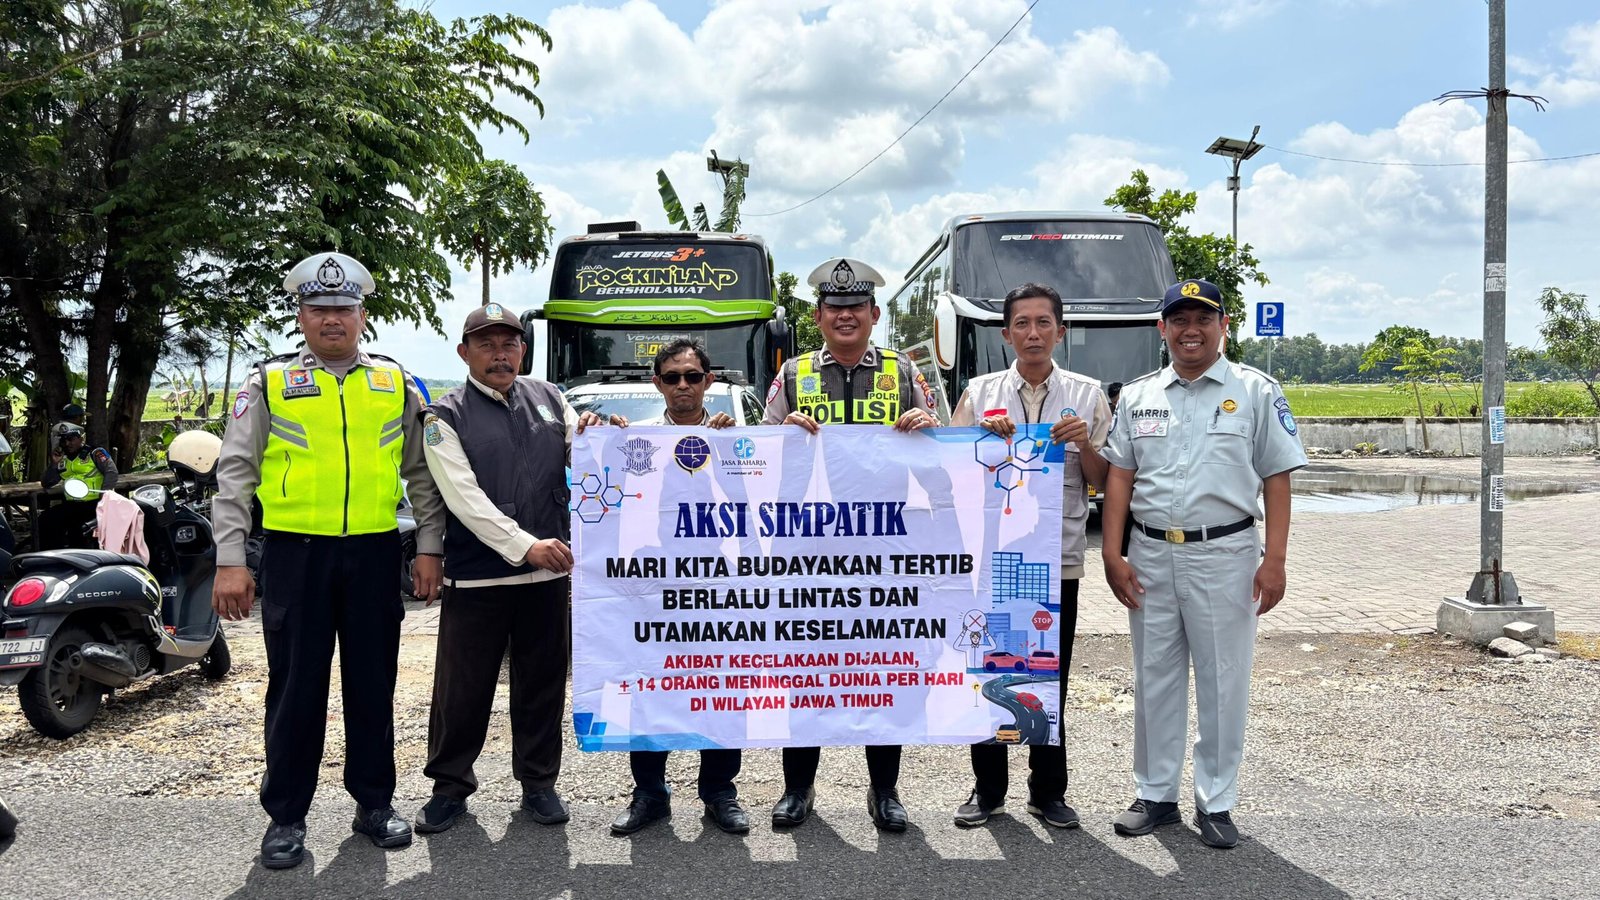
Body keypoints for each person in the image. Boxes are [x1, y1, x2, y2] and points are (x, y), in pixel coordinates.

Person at [211, 252, 446, 870]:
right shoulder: (268, 384)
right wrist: (230, 559)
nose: (333, 319)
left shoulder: (395, 383)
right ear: (302, 315)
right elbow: (233, 474)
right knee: (295, 690)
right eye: (320, 309)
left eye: (343, 308)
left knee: (374, 684)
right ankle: (286, 817)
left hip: (373, 553)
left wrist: (428, 547)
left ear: (362, 314)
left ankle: (374, 804)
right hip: (295, 555)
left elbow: (421, 474)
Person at [1099, 279, 1307, 850]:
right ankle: (1156, 796)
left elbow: (1277, 477)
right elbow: (1120, 476)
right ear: (1161, 328)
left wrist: (1277, 560)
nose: (1191, 330)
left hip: (1227, 555)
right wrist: (1112, 553)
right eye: (1179, 320)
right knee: (1155, 679)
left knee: (1223, 680)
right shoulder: (1140, 396)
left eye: (1203, 319)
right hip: (1149, 554)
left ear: (1224, 324)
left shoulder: (1256, 391)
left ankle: (1216, 801)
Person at [760, 256, 939, 833]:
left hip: (885, 550)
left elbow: (938, 455)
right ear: (818, 315)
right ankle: (798, 789)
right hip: (808, 551)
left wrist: (926, 427)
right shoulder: (791, 377)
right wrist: (780, 435)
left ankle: (884, 791)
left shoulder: (904, 372)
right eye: (834, 308)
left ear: (874, 314)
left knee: (882, 665)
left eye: (854, 307)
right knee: (807, 667)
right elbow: (758, 457)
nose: (844, 316)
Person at [412, 304, 604, 835]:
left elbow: (581, 457)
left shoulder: (550, 397)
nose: (501, 353)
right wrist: (524, 546)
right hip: (479, 578)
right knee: (462, 690)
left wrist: (594, 434)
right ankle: (450, 788)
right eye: (487, 343)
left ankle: (539, 784)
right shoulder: (443, 416)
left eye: (510, 343)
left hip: (547, 577)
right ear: (464, 352)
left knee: (542, 685)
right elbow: (464, 498)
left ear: (523, 348)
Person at [947, 283, 1110, 830]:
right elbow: (952, 475)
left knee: (1049, 672)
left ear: (1061, 331)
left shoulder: (1087, 397)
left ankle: (1049, 791)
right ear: (1006, 333)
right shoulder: (979, 392)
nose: (1033, 333)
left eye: (1044, 322)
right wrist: (981, 440)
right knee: (989, 668)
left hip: (1056, 558)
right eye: (1023, 323)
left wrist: (1084, 445)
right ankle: (988, 789)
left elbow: (1106, 482)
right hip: (993, 558)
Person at [600, 338, 747, 836]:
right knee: (649, 685)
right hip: (652, 583)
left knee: (721, 686)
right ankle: (649, 794)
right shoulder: (635, 438)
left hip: (720, 583)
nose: (683, 385)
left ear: (709, 381)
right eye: (671, 377)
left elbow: (762, 505)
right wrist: (596, 434)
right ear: (656, 383)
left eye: (692, 375)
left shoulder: (737, 439)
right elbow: (604, 494)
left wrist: (728, 449)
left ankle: (720, 793)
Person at [39, 422, 117, 549]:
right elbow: (47, 483)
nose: (67, 444)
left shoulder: (95, 453)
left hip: (94, 504)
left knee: (79, 531)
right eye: (64, 440)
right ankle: (52, 557)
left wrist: (105, 497)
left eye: (71, 439)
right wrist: (53, 464)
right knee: (46, 520)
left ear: (81, 438)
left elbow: (112, 472)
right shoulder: (62, 458)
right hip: (71, 505)